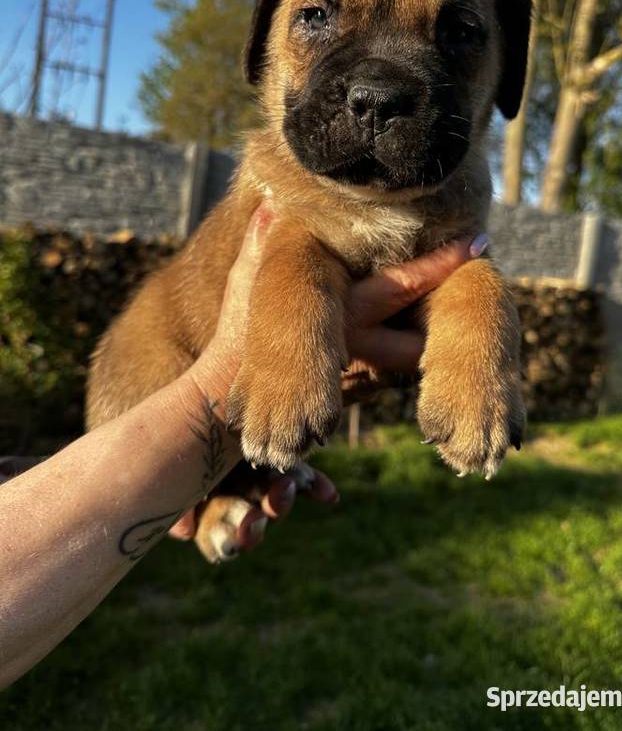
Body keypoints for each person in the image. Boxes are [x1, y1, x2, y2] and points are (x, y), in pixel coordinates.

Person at [0, 201, 488, 689]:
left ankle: (231, 479)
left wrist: (475, 327)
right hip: (157, 367)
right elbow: (297, 245)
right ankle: (220, 487)